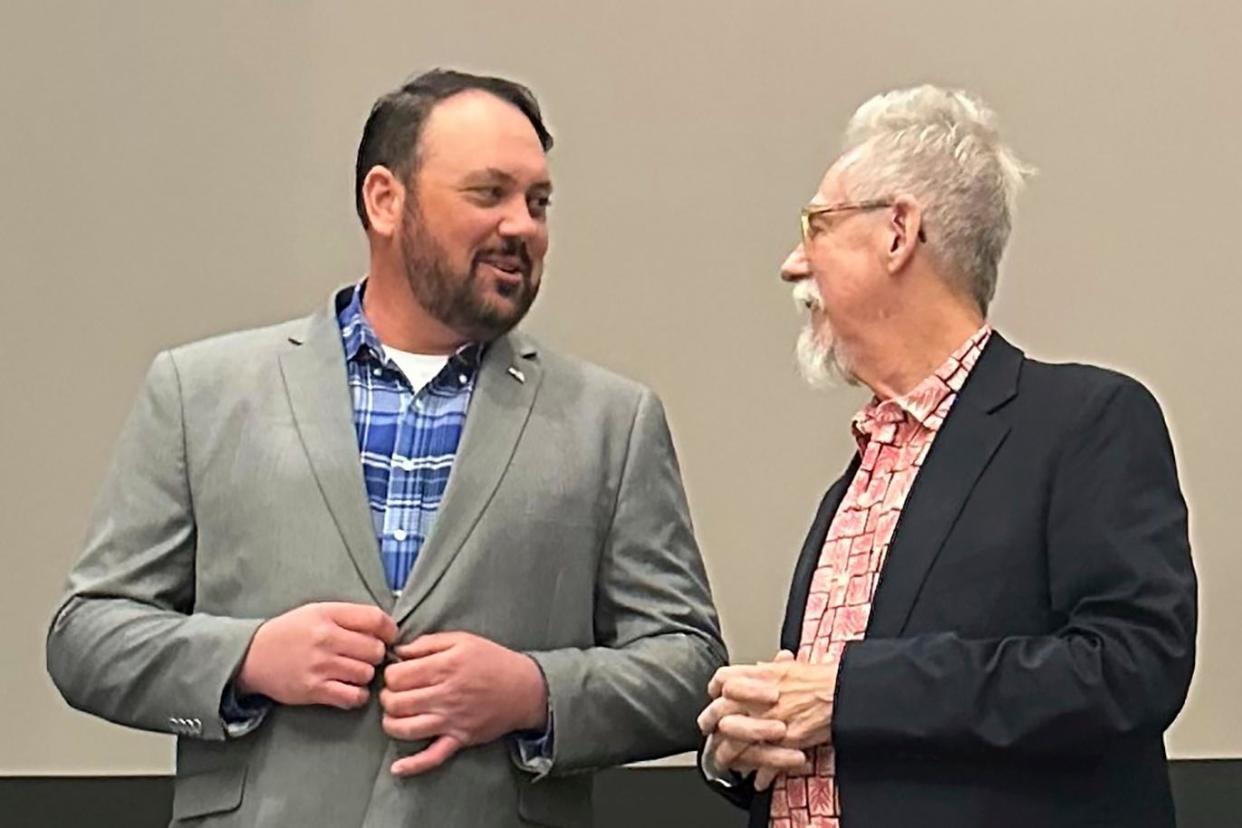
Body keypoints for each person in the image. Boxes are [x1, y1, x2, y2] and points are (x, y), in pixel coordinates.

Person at [47, 68, 726, 827]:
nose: (523, 226)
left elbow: (688, 666)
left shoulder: (611, 421)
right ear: (384, 199)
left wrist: (533, 691)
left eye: (538, 202)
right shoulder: (201, 391)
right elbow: (87, 637)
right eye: (488, 193)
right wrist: (249, 659)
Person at [698, 85, 1196, 828]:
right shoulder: (857, 476)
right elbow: (838, 733)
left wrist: (845, 694)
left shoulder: (1087, 422)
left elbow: (1128, 668)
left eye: (817, 225)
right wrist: (747, 745)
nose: (792, 264)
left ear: (898, 231)